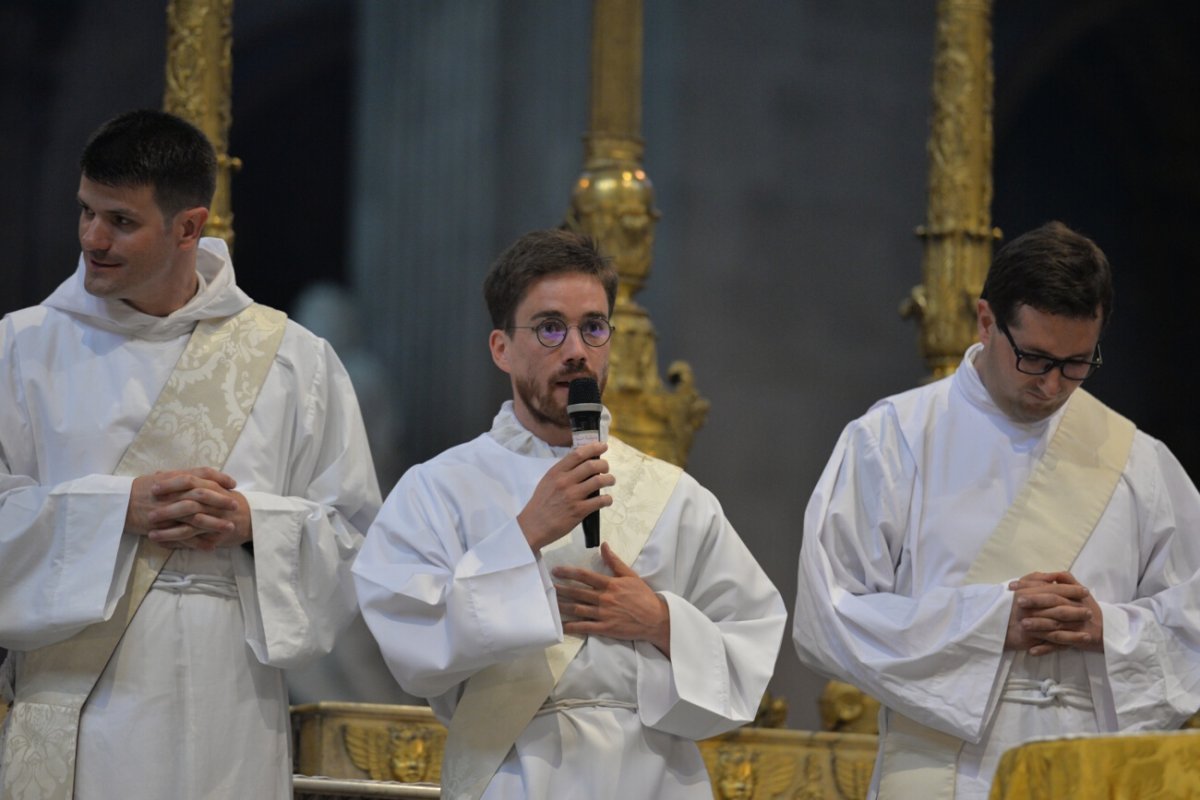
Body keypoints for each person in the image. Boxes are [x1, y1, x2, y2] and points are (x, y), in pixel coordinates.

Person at [0, 110, 380, 799]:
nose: (92, 238)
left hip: (230, 698)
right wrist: (115, 509)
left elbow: (356, 537)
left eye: (120, 221)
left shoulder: (295, 363)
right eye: (86, 212)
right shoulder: (22, 350)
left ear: (188, 227)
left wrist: (253, 524)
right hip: (84, 703)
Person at [353, 228, 786, 800]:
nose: (576, 349)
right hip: (514, 772)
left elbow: (752, 643)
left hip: (654, 775)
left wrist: (659, 620)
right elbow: (409, 637)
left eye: (594, 327)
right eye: (550, 327)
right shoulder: (439, 488)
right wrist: (525, 534)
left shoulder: (674, 494)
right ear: (501, 347)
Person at [793, 221, 1200, 799]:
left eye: (1078, 364)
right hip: (944, 764)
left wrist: (1107, 628)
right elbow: (827, 615)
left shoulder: (1139, 461)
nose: (1054, 386)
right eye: (1035, 358)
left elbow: (1192, 620)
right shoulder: (894, 437)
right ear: (987, 321)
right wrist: (987, 624)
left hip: (1088, 768)